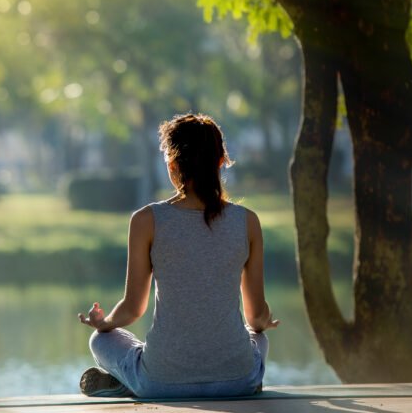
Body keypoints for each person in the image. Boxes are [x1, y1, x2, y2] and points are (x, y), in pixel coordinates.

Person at [77, 113, 279, 398]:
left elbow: (133, 308)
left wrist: (105, 323)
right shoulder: (248, 221)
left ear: (172, 167)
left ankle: (130, 382)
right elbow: (256, 317)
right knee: (258, 337)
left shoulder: (146, 220)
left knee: (100, 341)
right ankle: (135, 382)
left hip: (160, 383)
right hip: (238, 382)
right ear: (221, 162)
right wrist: (264, 321)